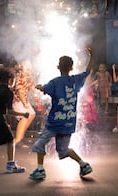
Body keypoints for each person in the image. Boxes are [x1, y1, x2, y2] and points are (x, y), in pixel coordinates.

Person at [29, 48, 93, 180]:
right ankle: (83, 164)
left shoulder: (55, 82)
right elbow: (87, 72)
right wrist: (91, 56)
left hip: (54, 123)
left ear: (58, 67)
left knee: (40, 144)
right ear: (72, 67)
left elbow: (45, 88)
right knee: (63, 149)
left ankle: (40, 170)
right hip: (68, 122)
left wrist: (40, 87)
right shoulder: (75, 80)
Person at [11, 60, 36, 148]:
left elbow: (32, 86)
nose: (29, 69)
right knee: (25, 116)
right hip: (18, 101)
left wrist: (37, 92)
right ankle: (16, 140)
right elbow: (20, 91)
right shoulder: (19, 77)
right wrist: (24, 103)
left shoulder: (27, 77)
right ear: (22, 67)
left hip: (24, 101)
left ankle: (20, 137)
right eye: (27, 67)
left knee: (32, 114)